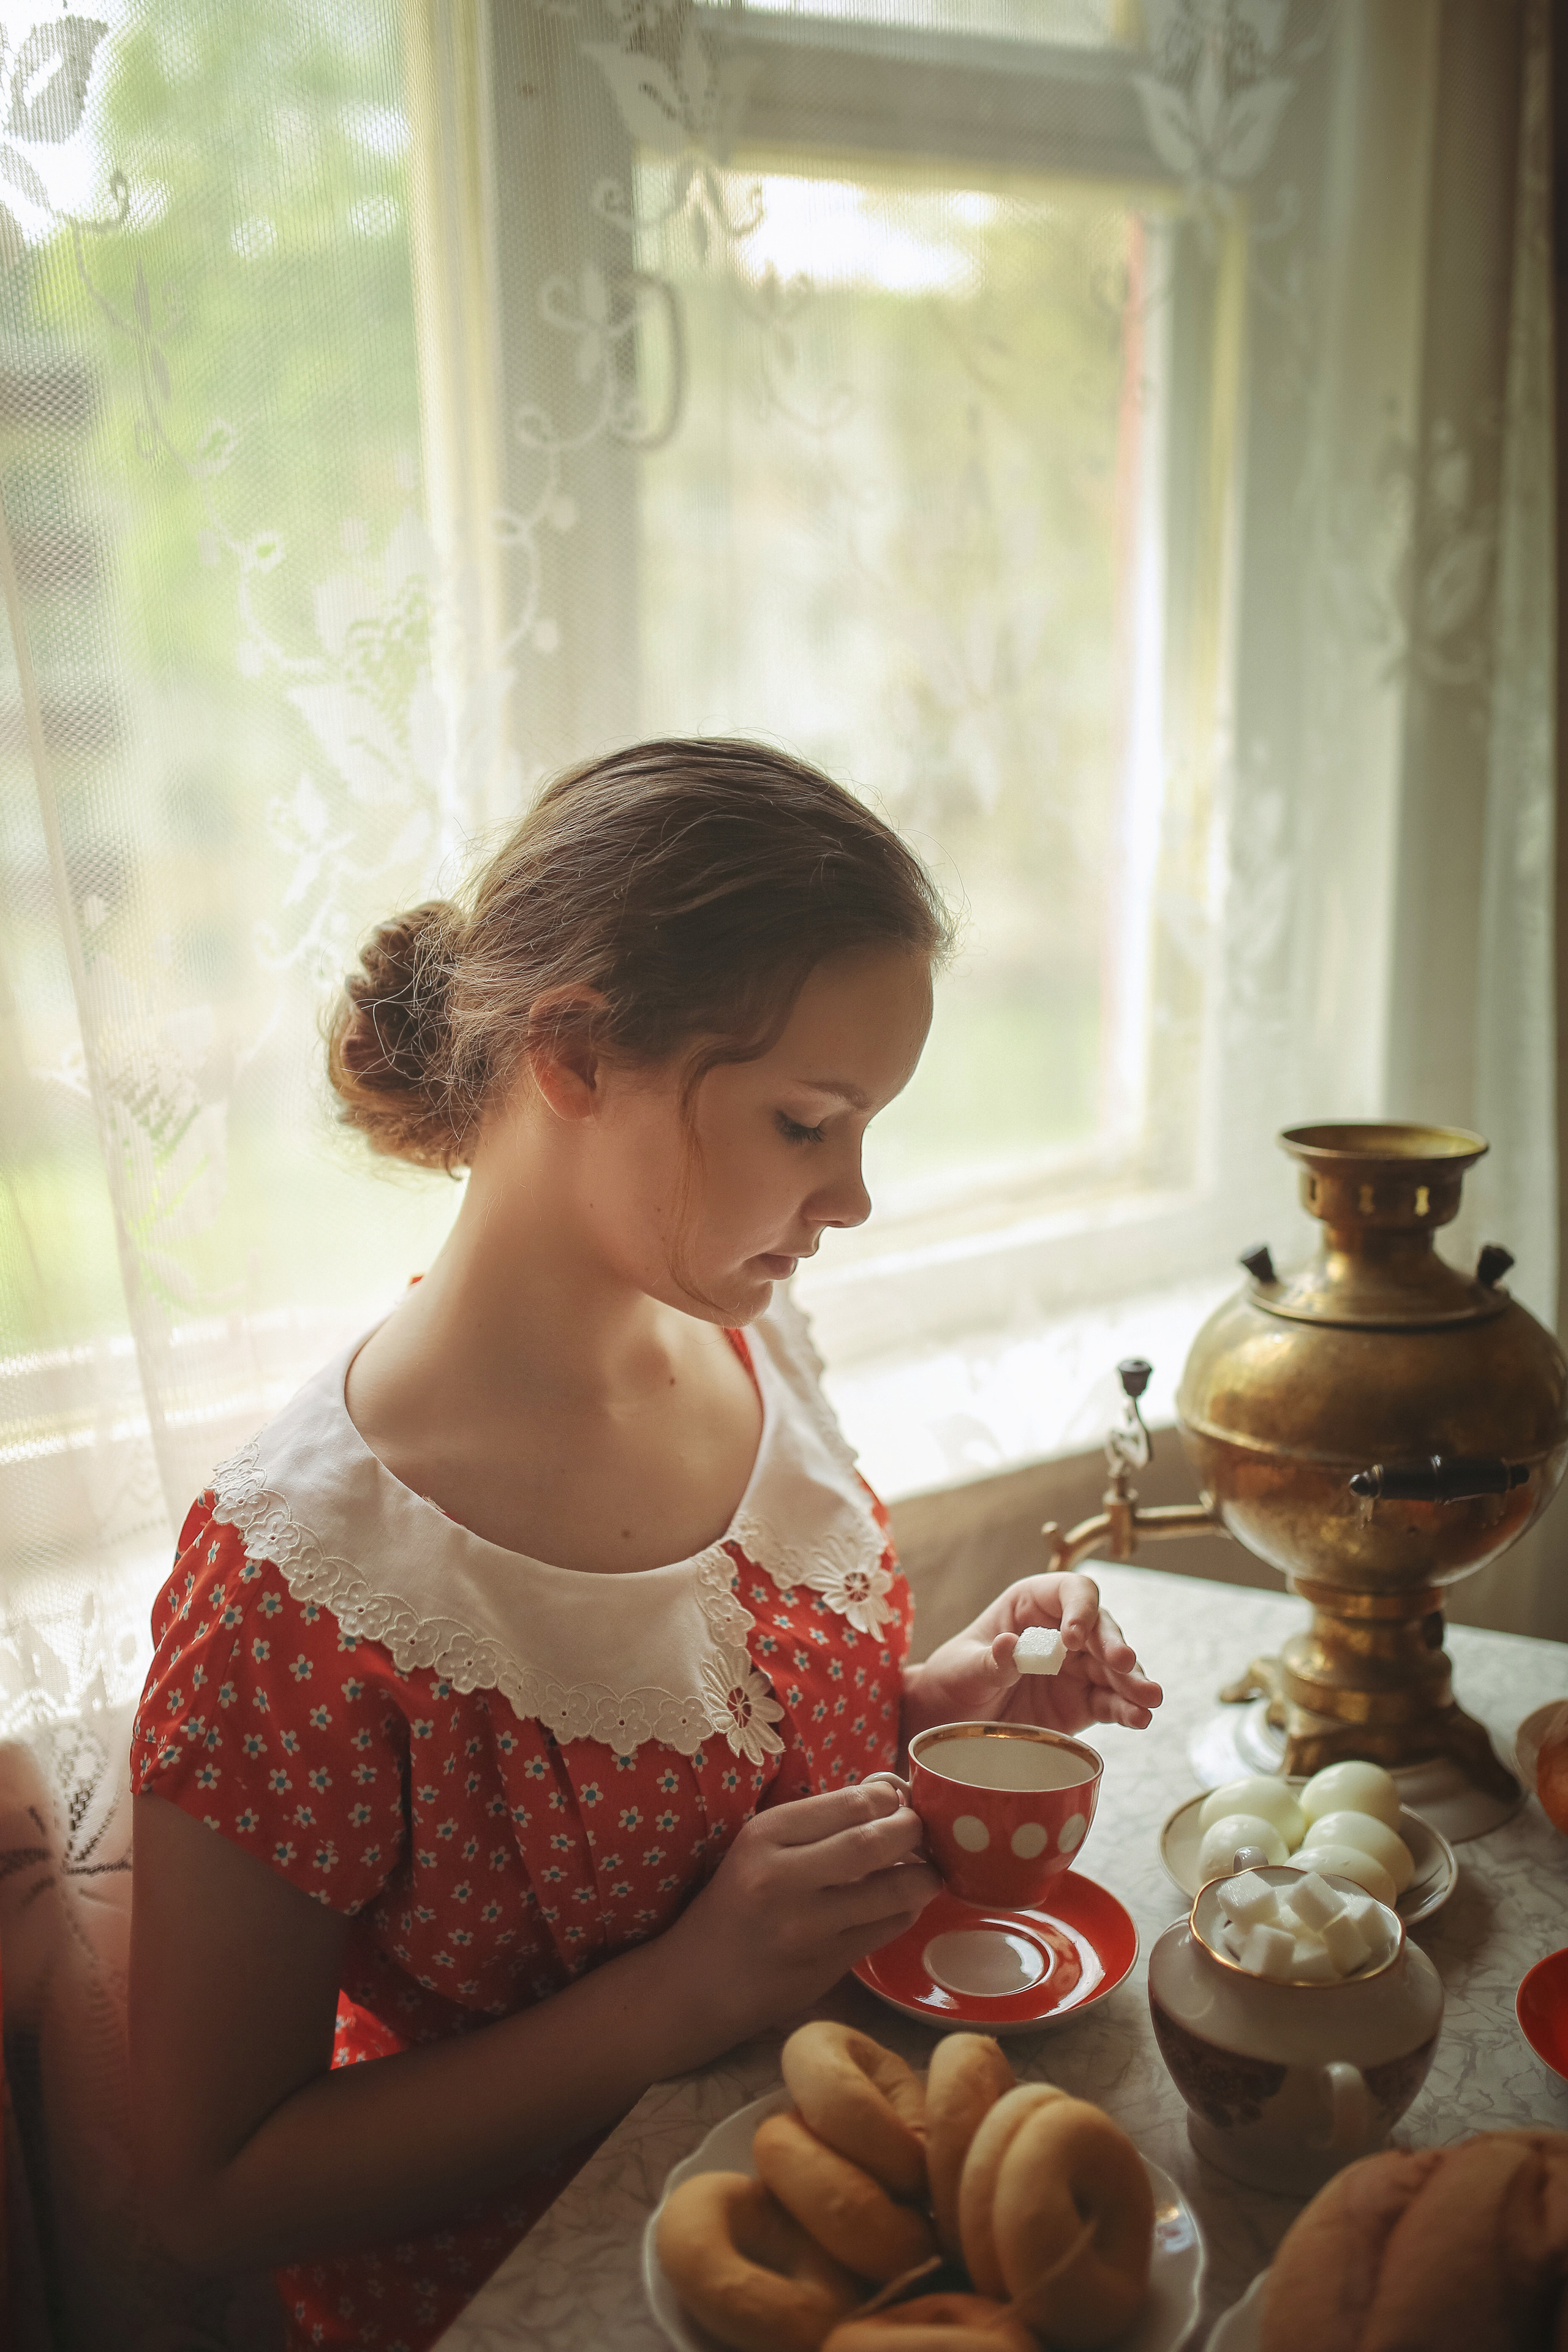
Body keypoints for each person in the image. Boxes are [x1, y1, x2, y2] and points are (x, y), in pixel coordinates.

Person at [128, 738, 1163, 2352]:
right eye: (807, 1123)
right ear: (572, 1056)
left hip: (856, 2217)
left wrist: (934, 1712)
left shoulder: (754, 1346)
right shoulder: (305, 1588)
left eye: (866, 1128)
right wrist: (675, 2000)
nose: (854, 1198)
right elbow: (207, 2191)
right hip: (534, 2295)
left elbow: (720, 1803)